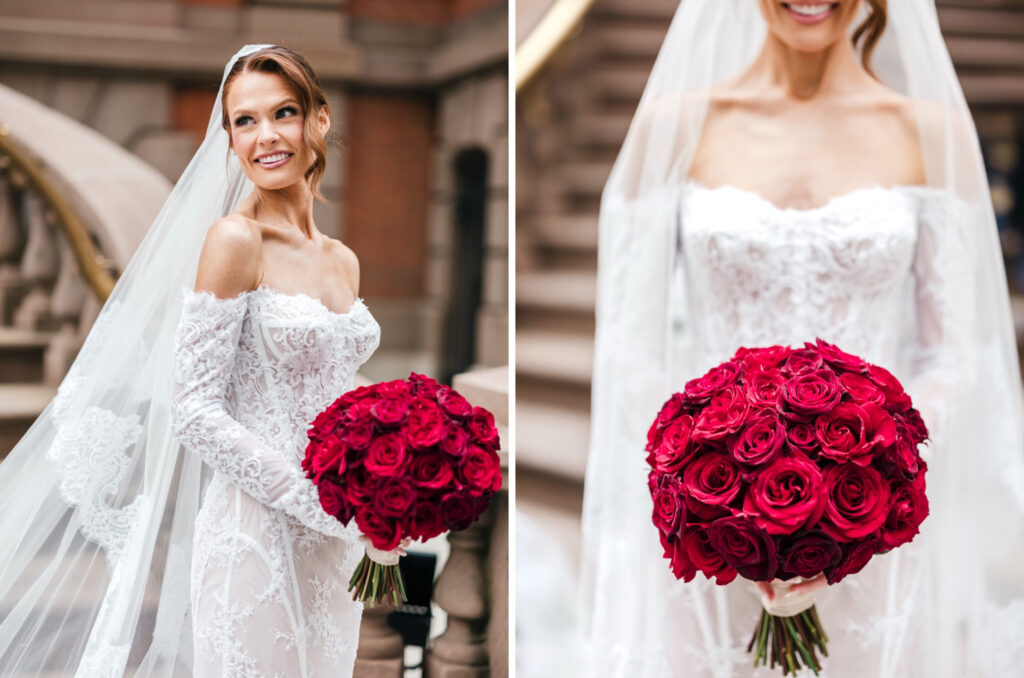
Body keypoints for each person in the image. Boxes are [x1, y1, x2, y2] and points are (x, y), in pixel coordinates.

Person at [582, 1, 1024, 676]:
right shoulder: (674, 124)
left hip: (870, 533)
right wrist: (711, 484)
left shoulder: (932, 131)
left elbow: (954, 354)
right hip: (714, 524)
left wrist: (867, 479)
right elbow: (629, 346)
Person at [0, 45, 403, 677]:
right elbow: (192, 408)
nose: (266, 136)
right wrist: (316, 501)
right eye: (245, 121)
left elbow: (330, 384)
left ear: (319, 119)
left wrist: (392, 470)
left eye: (284, 113)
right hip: (257, 535)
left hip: (335, 545)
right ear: (230, 140)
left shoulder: (342, 259)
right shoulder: (235, 240)